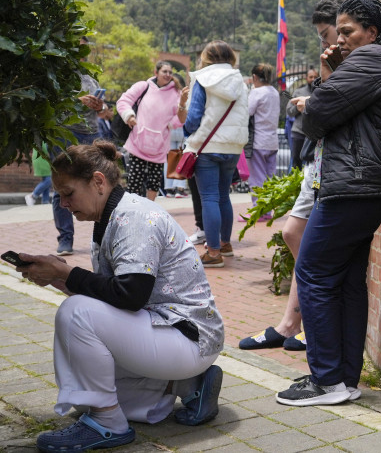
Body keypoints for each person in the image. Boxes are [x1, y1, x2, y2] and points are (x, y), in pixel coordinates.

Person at [13, 141, 225, 451]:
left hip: (188, 336)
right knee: (86, 398)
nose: (63, 204)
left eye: (68, 193)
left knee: (76, 313)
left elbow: (129, 296)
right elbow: (110, 294)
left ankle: (108, 424)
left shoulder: (134, 217)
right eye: (59, 197)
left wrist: (64, 273)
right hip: (166, 333)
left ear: (98, 181)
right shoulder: (110, 216)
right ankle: (190, 385)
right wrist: (57, 275)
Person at [275, 0, 381, 406]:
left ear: (372, 32)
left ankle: (326, 379)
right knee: (348, 280)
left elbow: (316, 118)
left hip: (354, 185)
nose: (340, 38)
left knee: (314, 271)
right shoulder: (380, 62)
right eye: (339, 31)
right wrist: (332, 76)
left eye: (348, 31)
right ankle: (343, 381)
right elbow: (338, 110)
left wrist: (323, 82)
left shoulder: (373, 58)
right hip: (365, 185)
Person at [239, 0, 347, 356]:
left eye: (328, 33)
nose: (327, 42)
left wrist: (311, 102)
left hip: (331, 161)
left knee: (303, 239)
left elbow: (333, 107)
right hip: (314, 157)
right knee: (292, 232)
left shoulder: (355, 59)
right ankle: (290, 323)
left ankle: (308, 323)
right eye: (323, 36)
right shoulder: (334, 59)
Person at [183, 41, 250, 268]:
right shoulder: (240, 80)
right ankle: (225, 244)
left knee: (209, 197)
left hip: (208, 146)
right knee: (223, 196)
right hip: (232, 147)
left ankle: (213, 253)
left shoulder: (202, 78)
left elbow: (193, 118)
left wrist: (187, 132)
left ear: (206, 57)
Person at [117, 61, 189, 201]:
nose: (168, 75)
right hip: (138, 141)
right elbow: (123, 100)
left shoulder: (176, 93)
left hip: (159, 145)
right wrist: (129, 115)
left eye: (170, 72)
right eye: (164, 71)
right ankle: (132, 208)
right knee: (134, 181)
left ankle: (150, 209)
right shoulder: (143, 86)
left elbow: (181, 119)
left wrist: (179, 110)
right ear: (156, 72)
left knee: (154, 182)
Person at [53, 73, 105, 255]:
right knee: (62, 185)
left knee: (98, 184)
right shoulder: (60, 72)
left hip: (90, 133)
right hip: (65, 132)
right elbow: (52, 101)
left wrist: (100, 106)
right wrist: (78, 101)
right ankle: (66, 238)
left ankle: (102, 236)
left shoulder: (91, 78)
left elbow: (102, 111)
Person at [246, 63, 280, 215]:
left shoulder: (257, 92)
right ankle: (267, 211)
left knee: (257, 178)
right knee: (269, 178)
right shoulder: (274, 92)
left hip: (258, 142)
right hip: (272, 141)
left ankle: (258, 210)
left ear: (254, 77)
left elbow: (248, 112)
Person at [287, 67, 319, 171]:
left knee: (313, 163)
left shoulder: (321, 92)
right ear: (306, 78)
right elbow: (289, 111)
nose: (313, 79)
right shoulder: (298, 92)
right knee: (296, 162)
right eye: (311, 77)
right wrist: (299, 106)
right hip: (298, 133)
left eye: (315, 76)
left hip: (315, 135)